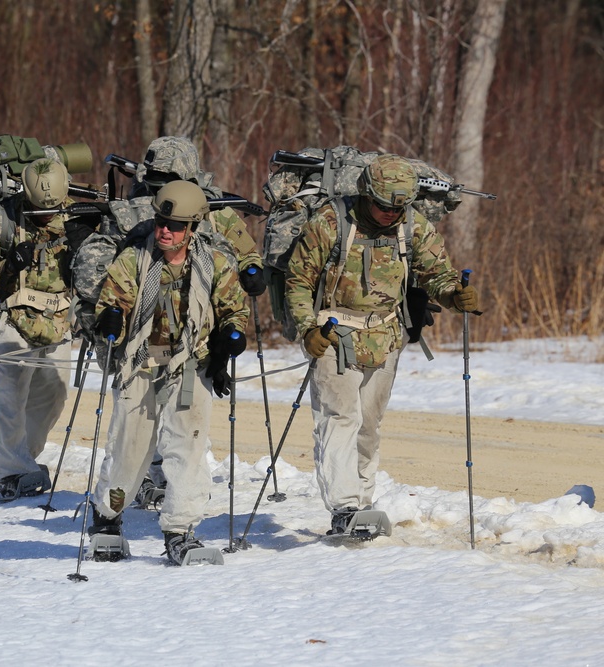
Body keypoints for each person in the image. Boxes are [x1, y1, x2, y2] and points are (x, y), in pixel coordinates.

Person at [285, 153, 480, 535]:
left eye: (399, 206)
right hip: (334, 334)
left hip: (386, 336)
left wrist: (453, 294)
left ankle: (363, 502)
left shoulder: (412, 225)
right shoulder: (329, 223)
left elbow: (434, 272)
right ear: (365, 194)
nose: (392, 213)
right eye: (384, 205)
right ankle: (344, 508)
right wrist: (308, 328)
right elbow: (298, 281)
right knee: (339, 419)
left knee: (369, 425)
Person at [89, 180, 249, 565]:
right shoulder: (134, 260)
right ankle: (107, 517)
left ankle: (180, 531)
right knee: (130, 452)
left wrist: (232, 337)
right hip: (141, 364)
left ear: (192, 228)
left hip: (190, 367)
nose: (166, 230)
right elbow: (112, 301)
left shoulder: (214, 263)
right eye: (162, 221)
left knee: (188, 450)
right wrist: (111, 317)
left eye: (176, 225)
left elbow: (234, 309)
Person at [129, 135, 265, 504]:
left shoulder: (215, 211)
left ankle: (176, 487)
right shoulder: (135, 208)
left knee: (185, 416)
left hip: (195, 330)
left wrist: (252, 271)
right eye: (155, 179)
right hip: (145, 327)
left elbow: (246, 250)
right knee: (142, 410)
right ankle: (143, 476)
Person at [0, 158, 79, 501]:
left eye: (53, 208)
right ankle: (12, 470)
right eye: (39, 209)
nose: (48, 215)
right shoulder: (0, 219)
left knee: (53, 397)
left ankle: (25, 458)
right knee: (10, 401)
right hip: (12, 318)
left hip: (58, 321)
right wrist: (7, 265)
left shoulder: (78, 215)